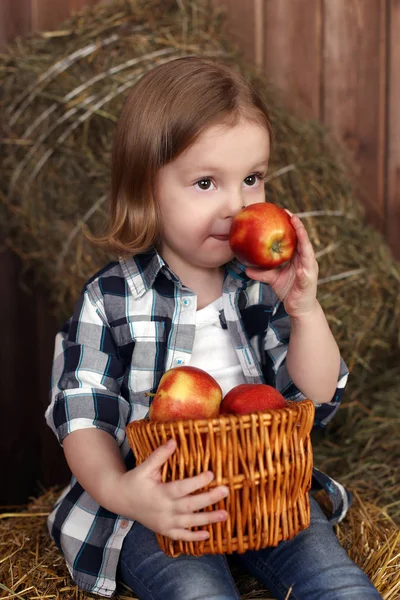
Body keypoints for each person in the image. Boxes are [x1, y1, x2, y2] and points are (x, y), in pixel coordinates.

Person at [45, 56, 381, 600]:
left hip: (265, 494)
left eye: (252, 178)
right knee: (198, 593)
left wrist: (304, 309)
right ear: (146, 191)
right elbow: (81, 409)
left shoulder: (260, 285)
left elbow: (315, 399)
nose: (236, 205)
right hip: (163, 509)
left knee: (341, 587)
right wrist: (126, 493)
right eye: (205, 182)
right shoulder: (112, 298)